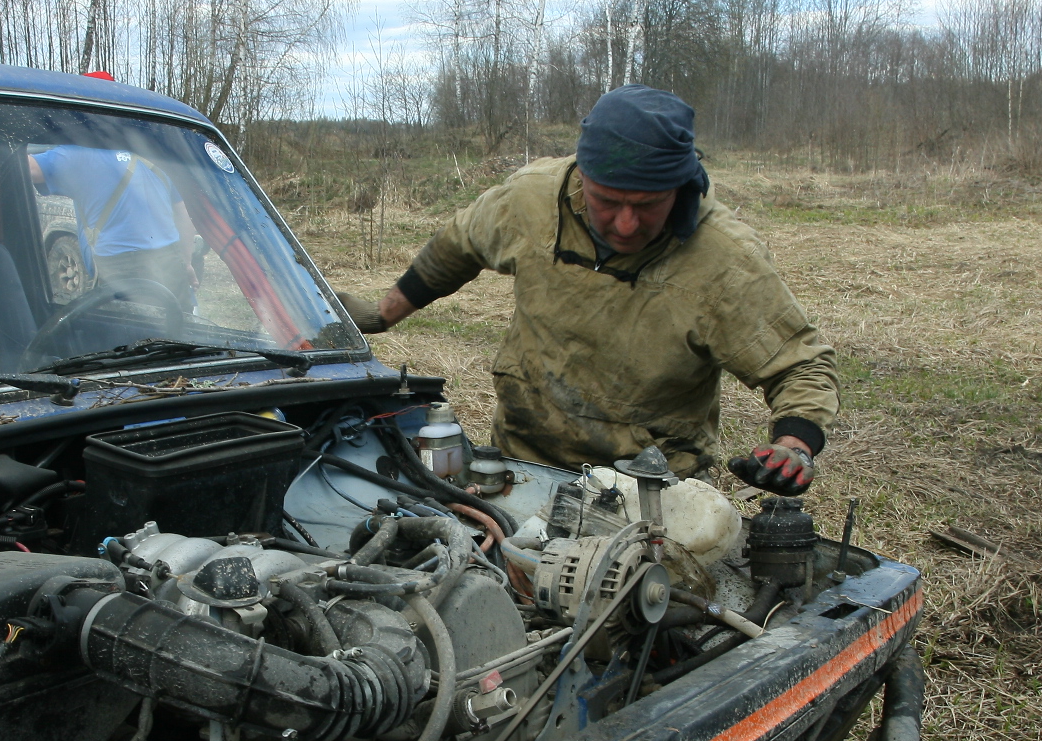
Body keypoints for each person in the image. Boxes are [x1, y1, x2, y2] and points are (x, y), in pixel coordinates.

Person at [338, 85, 837, 492]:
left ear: (681, 186)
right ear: (582, 175)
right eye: (608, 201)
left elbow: (800, 365)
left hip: (649, 489)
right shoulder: (532, 200)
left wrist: (794, 445)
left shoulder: (725, 259)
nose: (625, 225)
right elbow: (458, 245)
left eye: (647, 205)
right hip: (518, 467)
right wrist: (384, 313)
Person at [28, 145, 197, 304]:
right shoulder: (157, 155)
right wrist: (186, 262)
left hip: (121, 267)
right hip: (171, 261)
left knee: (128, 324)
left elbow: (28, 168)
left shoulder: (80, 154)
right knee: (177, 321)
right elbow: (184, 212)